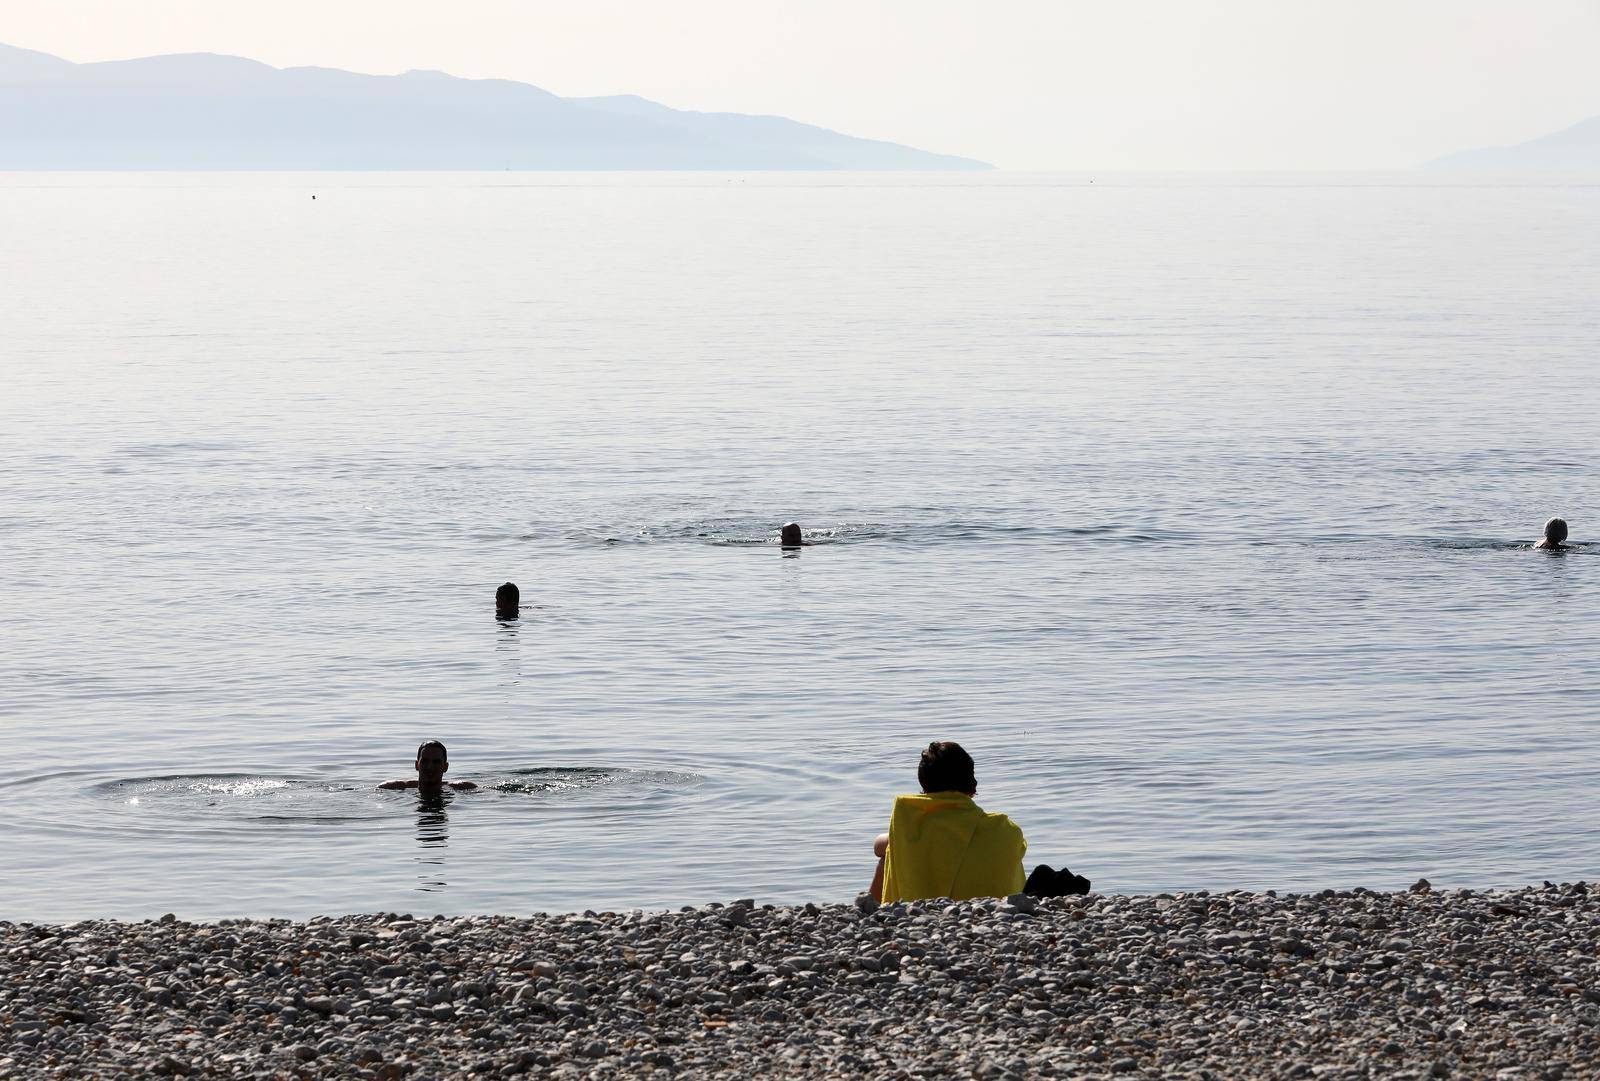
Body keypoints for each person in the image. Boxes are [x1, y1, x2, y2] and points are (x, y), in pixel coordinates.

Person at [869, 741, 1026, 903]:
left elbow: (878, 846)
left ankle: (868, 913)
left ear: (924, 786)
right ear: (972, 784)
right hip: (997, 910)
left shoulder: (912, 824)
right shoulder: (1004, 828)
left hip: (922, 910)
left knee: (888, 855)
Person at [380, 741, 478, 795]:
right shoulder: (391, 788)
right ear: (416, 765)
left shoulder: (462, 788)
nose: (430, 767)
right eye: (425, 761)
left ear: (445, 767)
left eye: (436, 762)